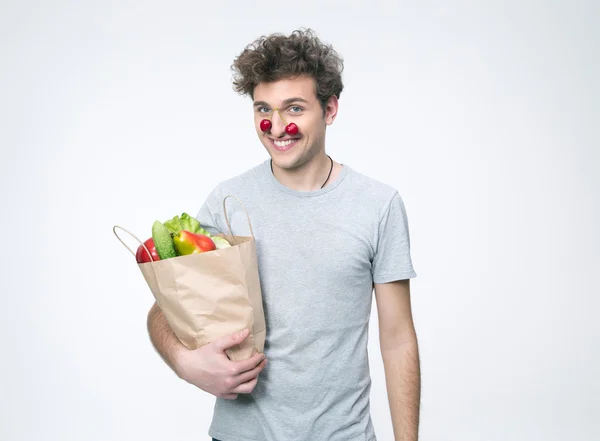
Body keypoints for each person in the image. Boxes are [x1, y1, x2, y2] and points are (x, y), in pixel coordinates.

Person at [147, 28, 421, 441]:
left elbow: (398, 338)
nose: (277, 127)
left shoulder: (378, 205)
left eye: (294, 108)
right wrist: (184, 363)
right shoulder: (228, 201)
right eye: (264, 109)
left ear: (330, 109)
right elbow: (165, 309)